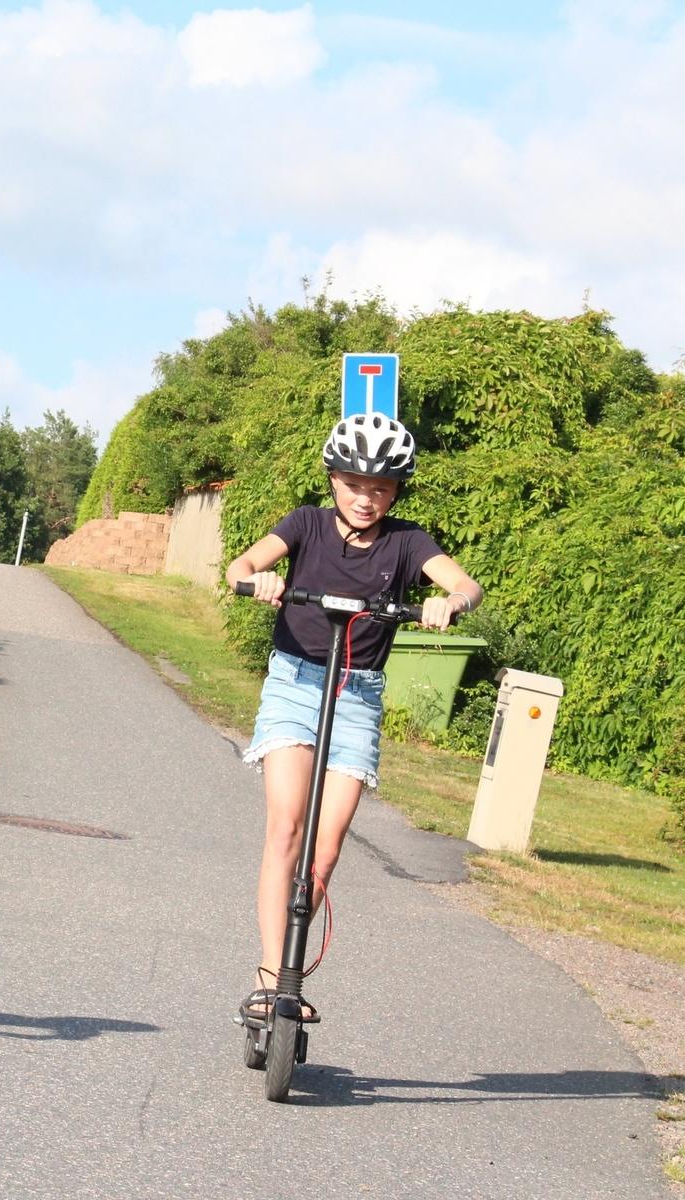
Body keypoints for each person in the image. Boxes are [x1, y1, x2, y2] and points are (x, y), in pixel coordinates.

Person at [222, 411, 483, 1021]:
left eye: (381, 488)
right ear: (333, 480)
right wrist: (256, 581)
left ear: (396, 492)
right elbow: (242, 565)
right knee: (288, 826)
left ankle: (293, 968)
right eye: (355, 484)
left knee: (326, 850)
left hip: (358, 696)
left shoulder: (407, 542)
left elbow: (465, 584)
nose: (367, 499)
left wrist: (450, 601)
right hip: (294, 683)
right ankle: (274, 978)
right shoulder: (305, 525)